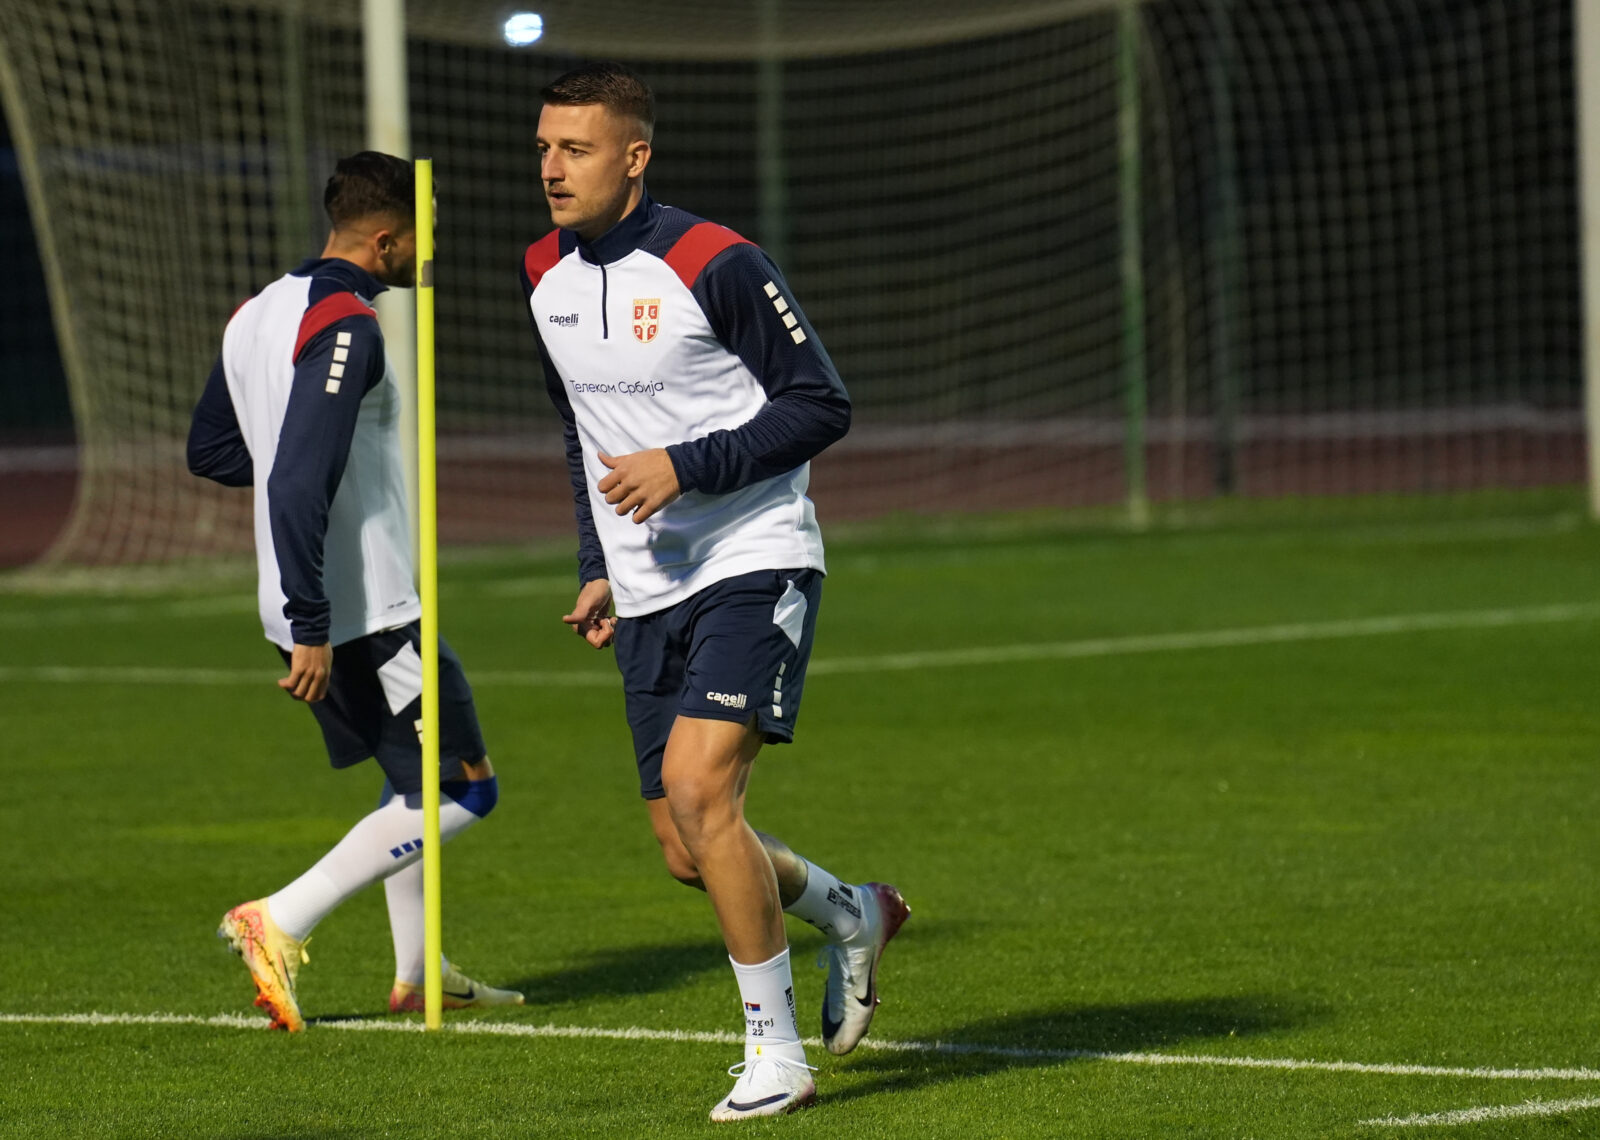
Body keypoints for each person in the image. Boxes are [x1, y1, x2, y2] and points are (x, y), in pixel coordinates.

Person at [520, 63, 910, 1120]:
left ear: (634, 157)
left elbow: (820, 404)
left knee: (701, 793)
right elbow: (583, 431)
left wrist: (687, 467)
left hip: (753, 552)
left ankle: (776, 1056)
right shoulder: (541, 270)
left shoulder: (715, 261)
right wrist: (596, 562)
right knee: (685, 849)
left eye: (577, 149)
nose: (552, 168)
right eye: (545, 147)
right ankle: (851, 911)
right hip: (644, 584)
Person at [187, 151, 522, 1030]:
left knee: (410, 781)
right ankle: (278, 917)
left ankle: (418, 971)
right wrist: (313, 617)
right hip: (360, 613)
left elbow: (212, 450)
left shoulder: (257, 312)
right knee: (463, 788)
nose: (432, 246)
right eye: (425, 232)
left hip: (320, 603)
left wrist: (301, 477)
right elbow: (296, 479)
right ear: (385, 241)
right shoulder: (348, 323)